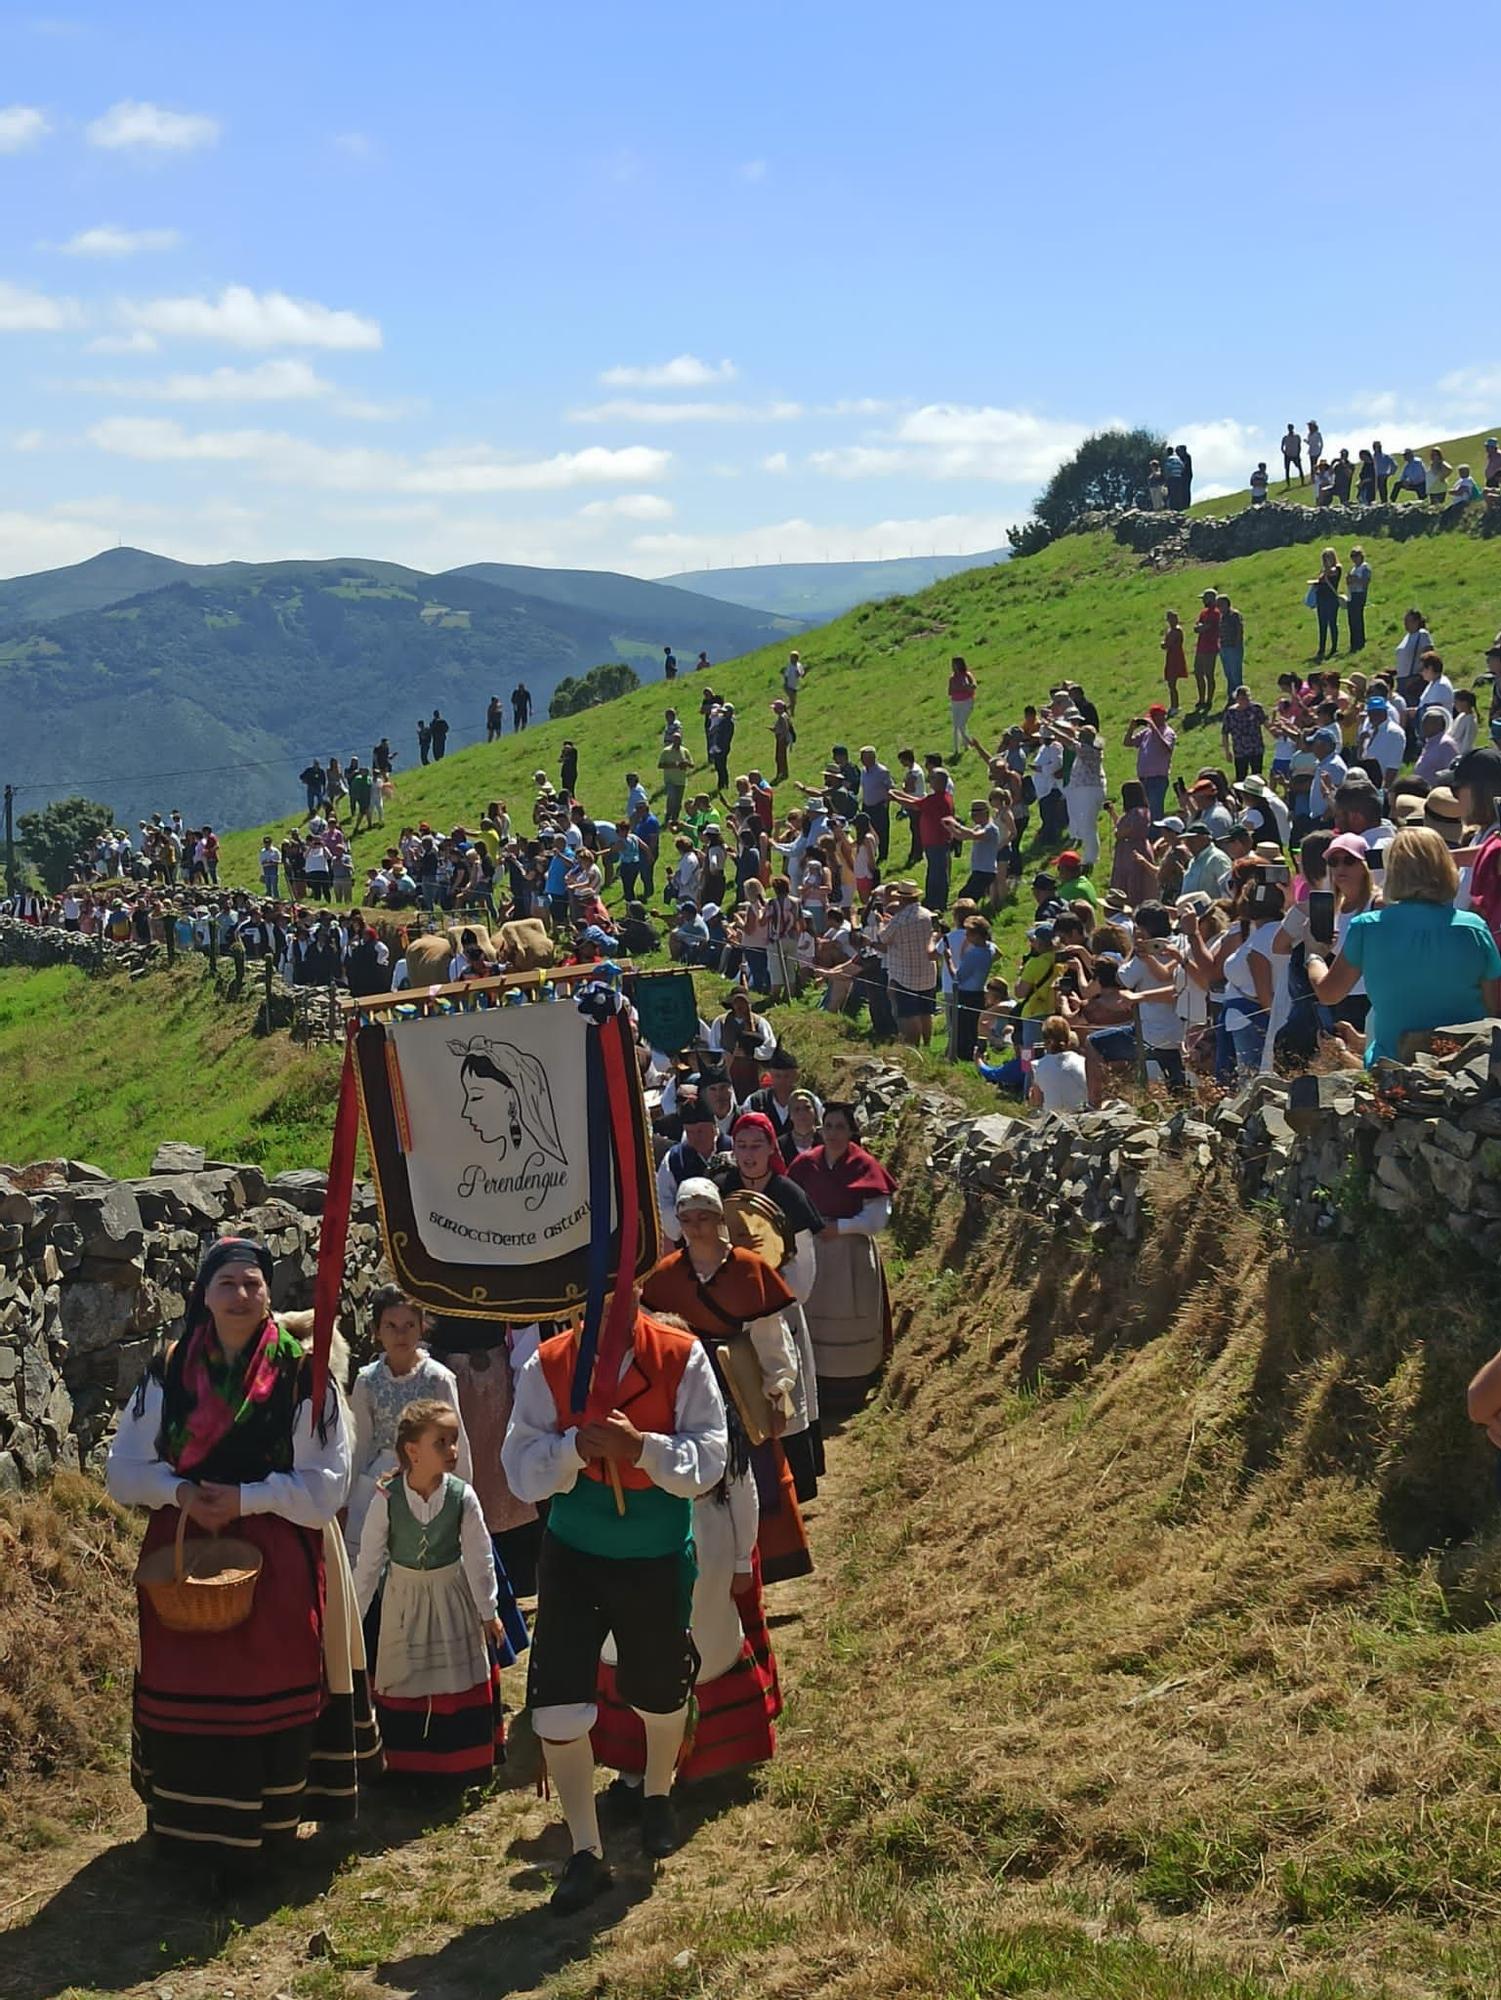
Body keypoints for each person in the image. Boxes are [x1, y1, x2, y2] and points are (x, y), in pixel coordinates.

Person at [105, 1237, 377, 1863]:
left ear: (269, 1296)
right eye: (227, 1283)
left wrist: (246, 1500)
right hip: (183, 1550)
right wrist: (179, 1491)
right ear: (203, 1295)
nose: (242, 1295)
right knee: (186, 1681)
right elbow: (123, 1471)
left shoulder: (302, 1378)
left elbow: (326, 1486)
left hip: (274, 1549)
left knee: (269, 1678)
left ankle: (267, 1837)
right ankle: (182, 1831)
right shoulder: (168, 1371)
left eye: (253, 1283)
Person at [501, 1293, 729, 1909]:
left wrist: (642, 1450)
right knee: (557, 1707)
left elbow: (710, 1457)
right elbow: (520, 1470)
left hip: (654, 1555)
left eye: (621, 1280)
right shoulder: (547, 1364)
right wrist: (574, 1449)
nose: (608, 1297)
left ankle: (657, 1794)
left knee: (659, 1690)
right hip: (573, 1555)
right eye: (593, 1284)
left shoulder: (682, 1356)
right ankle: (585, 1850)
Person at [640, 1180, 812, 1586]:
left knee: (752, 1471)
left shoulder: (748, 1269)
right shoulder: (666, 1275)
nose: (696, 1227)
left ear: (720, 1218)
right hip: (688, 1386)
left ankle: (758, 1560)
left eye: (703, 1217)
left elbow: (771, 1340)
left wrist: (776, 1391)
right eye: (687, 1219)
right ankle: (705, 1557)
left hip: (740, 1383)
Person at [353, 1400, 506, 1781]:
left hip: (450, 1595)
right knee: (406, 1673)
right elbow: (369, 1562)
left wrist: (488, 1611)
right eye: (441, 1442)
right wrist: (353, 1617)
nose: (453, 1450)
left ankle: (460, 1764)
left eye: (454, 1441)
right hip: (403, 1599)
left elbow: (478, 1556)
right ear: (412, 1451)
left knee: (453, 1674)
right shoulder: (387, 1498)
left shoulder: (462, 1496)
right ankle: (408, 1767)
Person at [1308, 829, 1501, 1063]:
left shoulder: (1367, 927)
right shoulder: (1475, 928)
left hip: (1393, 1066)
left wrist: (1314, 958)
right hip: (1463, 1065)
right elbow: (1494, 1007)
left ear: (1393, 872)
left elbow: (1329, 994)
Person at [788, 1102, 897, 1414]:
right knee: (816, 1317)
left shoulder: (863, 1164)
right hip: (814, 1252)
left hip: (852, 1255)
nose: (833, 1133)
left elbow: (876, 1219)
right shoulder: (806, 1164)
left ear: (851, 1132)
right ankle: (816, 1386)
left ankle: (853, 1389)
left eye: (840, 1126)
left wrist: (840, 1227)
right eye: (829, 1125)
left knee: (852, 1315)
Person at [1028, 1014, 1089, 1110]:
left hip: (1054, 1117)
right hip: (1082, 1112)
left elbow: (1037, 1101)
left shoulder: (1037, 1066)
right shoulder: (1084, 1061)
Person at [1310, 546, 1343, 661]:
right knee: (1322, 625)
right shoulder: (1323, 570)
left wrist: (1326, 569)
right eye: (1324, 558)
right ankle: (1321, 648)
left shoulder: (1337, 568)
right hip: (1322, 599)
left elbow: (1331, 573)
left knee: (1332, 623)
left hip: (1331, 599)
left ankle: (1334, 648)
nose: (1325, 560)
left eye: (1327, 557)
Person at [1192, 589, 1220, 709]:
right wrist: (1200, 627)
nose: (1203, 601)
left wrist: (1201, 627)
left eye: (1204, 598)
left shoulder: (1216, 613)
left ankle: (1209, 700)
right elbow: (1198, 626)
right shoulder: (1203, 612)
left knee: (1209, 674)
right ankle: (1201, 699)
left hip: (1211, 647)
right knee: (1198, 673)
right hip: (1201, 647)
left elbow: (1205, 627)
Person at [948, 655, 979, 757]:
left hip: (967, 702)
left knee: (961, 725)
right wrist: (958, 688)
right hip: (955, 702)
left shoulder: (967, 675)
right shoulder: (952, 678)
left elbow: (974, 686)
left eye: (954, 664)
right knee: (956, 726)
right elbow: (950, 691)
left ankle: (970, 742)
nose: (953, 666)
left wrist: (967, 687)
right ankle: (956, 749)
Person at [1346, 546, 1371, 652]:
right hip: (1352, 595)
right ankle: (1353, 643)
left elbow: (1365, 582)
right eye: (1352, 557)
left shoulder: (1365, 567)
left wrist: (1354, 579)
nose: (1354, 559)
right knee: (1352, 620)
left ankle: (1360, 642)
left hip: (1359, 594)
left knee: (1358, 620)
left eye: (1356, 556)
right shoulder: (1353, 569)